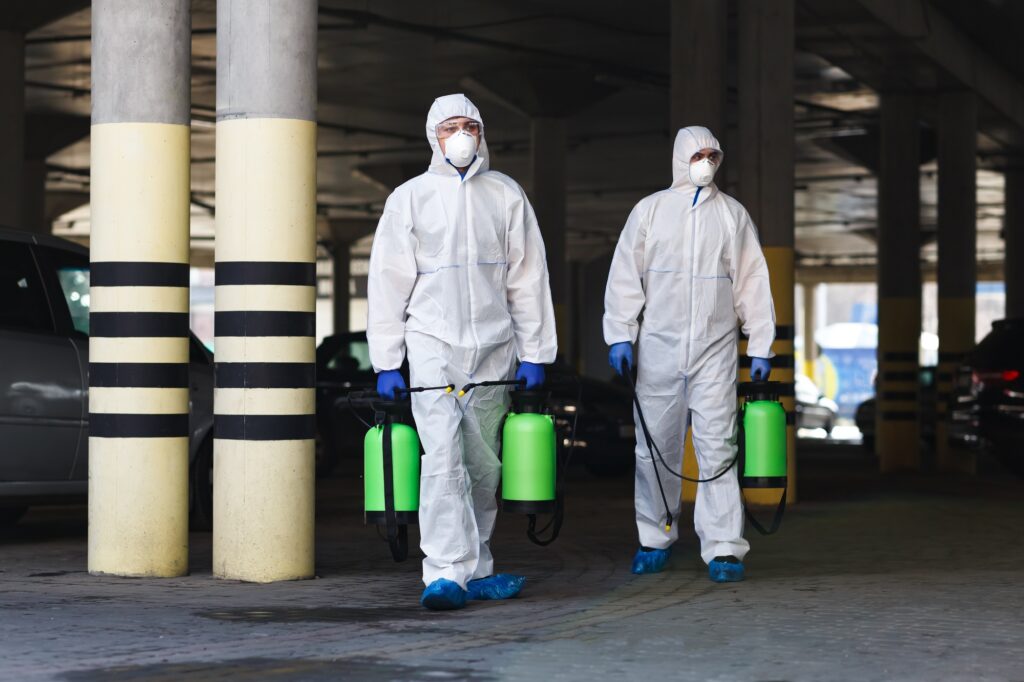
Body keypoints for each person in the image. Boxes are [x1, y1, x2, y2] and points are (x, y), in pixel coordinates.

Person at [367, 94, 558, 610]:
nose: (461, 135)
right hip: (431, 342)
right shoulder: (410, 198)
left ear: (483, 132)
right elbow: (387, 282)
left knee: (483, 462)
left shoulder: (506, 194)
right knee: (442, 457)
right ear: (433, 135)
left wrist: (537, 352)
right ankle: (445, 572)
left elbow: (527, 277)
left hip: (494, 346)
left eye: (470, 125)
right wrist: (386, 360)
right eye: (451, 126)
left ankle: (477, 568)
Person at [603, 126, 775, 583]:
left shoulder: (732, 215)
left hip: (714, 350)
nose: (706, 162)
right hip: (658, 347)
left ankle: (723, 548)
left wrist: (760, 343)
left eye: (713, 155)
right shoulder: (650, 212)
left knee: (718, 446)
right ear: (681, 157)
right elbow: (625, 275)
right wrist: (620, 334)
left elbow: (752, 283)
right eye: (698, 154)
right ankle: (654, 537)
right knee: (655, 448)